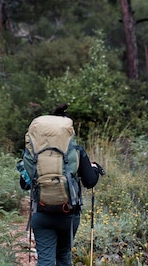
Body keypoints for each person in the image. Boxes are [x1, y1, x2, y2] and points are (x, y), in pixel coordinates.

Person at [19, 104, 103, 266]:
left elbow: (24, 184)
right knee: (63, 256)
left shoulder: (33, 153)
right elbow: (90, 181)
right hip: (68, 215)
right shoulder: (75, 151)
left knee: (45, 261)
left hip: (41, 214)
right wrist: (95, 169)